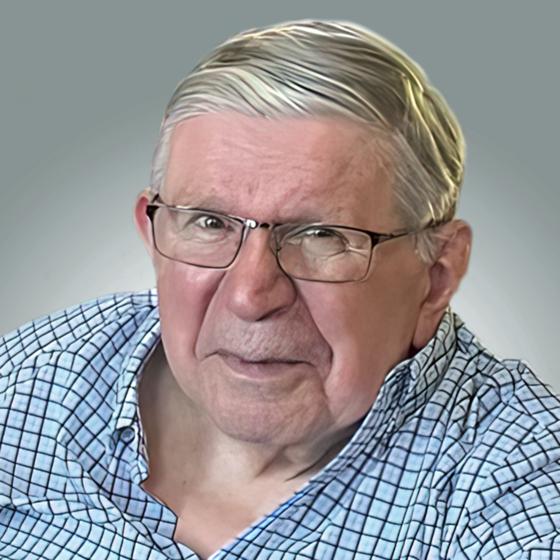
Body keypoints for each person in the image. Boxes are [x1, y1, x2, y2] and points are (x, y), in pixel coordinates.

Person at [1, 19, 559, 560]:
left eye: (320, 236)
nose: (250, 296)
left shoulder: (515, 477)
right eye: (210, 223)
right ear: (154, 235)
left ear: (436, 275)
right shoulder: (32, 383)